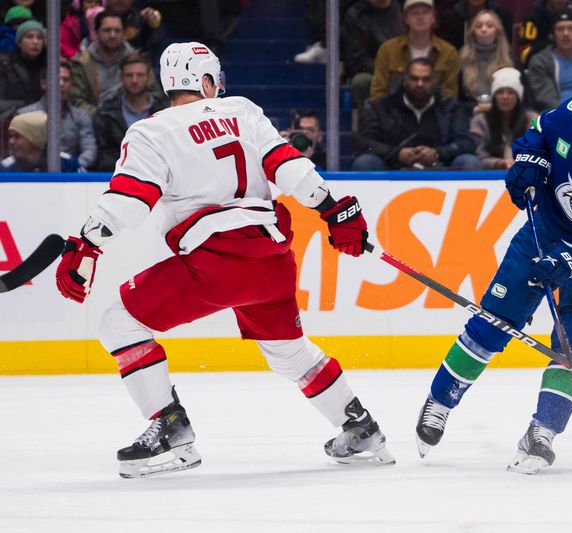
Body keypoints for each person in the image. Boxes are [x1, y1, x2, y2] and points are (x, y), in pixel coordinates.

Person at [54, 41, 395, 479]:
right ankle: (359, 426)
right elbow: (288, 167)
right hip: (271, 258)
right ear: (207, 81)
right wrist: (334, 208)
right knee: (289, 351)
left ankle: (170, 429)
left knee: (119, 323)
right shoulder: (244, 110)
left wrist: (86, 244)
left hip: (214, 262)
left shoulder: (151, 131)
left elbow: (130, 199)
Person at [414, 74, 572, 475]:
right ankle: (440, 402)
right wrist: (529, 160)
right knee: (493, 323)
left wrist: (571, 261)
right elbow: (538, 133)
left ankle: (542, 432)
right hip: (544, 233)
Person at [354, 57, 479, 170]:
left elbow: (467, 142)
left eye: (426, 79)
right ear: (405, 79)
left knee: (469, 161)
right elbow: (365, 142)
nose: (420, 84)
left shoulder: (450, 107)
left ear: (434, 81)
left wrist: (438, 153)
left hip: (439, 168)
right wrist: (396, 153)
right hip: (393, 168)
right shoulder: (381, 107)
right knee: (365, 162)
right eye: (414, 78)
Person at [369, 0, 460, 101]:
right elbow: (378, 92)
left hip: (435, 113)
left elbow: (449, 95)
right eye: (414, 13)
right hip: (394, 113)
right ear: (406, 19)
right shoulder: (387, 49)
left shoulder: (448, 53)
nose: (420, 17)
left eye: (425, 12)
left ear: (433, 18)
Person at [17, 59, 97, 171]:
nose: (61, 84)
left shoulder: (81, 115)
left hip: (70, 175)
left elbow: (90, 151)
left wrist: (72, 166)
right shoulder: (24, 115)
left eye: (66, 80)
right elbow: (18, 152)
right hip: (32, 174)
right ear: (43, 84)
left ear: (71, 85)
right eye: (56, 79)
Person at [94, 50, 168, 171]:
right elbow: (103, 158)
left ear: (148, 77)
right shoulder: (106, 113)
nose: (134, 80)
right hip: (115, 178)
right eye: (129, 75)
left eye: (140, 75)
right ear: (121, 77)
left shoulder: (164, 112)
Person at [525, 7, 572, 113]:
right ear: (552, 35)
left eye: (571, 28)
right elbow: (546, 99)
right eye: (560, 29)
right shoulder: (540, 62)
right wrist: (569, 117)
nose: (566, 33)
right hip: (557, 116)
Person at [341, 0, 405, 111]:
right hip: (373, 72)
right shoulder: (355, 15)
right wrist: (385, 70)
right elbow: (356, 60)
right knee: (360, 82)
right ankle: (371, 124)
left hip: (408, 70)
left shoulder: (404, 8)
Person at [469, 66, 535, 169]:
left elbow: (538, 152)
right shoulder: (481, 120)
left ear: (518, 97)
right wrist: (499, 163)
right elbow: (479, 155)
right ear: (494, 96)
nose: (505, 97)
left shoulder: (532, 120)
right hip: (490, 174)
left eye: (511, 92)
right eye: (500, 92)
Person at [457, 8, 513, 107]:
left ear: (497, 31)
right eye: (478, 26)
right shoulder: (460, 58)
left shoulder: (510, 59)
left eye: (490, 26)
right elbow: (457, 98)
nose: (483, 29)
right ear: (473, 31)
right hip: (468, 112)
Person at [0, 110, 81, 172]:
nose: (11, 141)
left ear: (35, 139)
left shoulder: (68, 164)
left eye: (17, 136)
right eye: (11, 136)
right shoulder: (5, 169)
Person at [0, 18, 45, 119]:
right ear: (19, 42)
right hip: (11, 118)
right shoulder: (5, 65)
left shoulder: (49, 64)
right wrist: (24, 105)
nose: (35, 42)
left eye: (39, 38)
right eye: (29, 37)